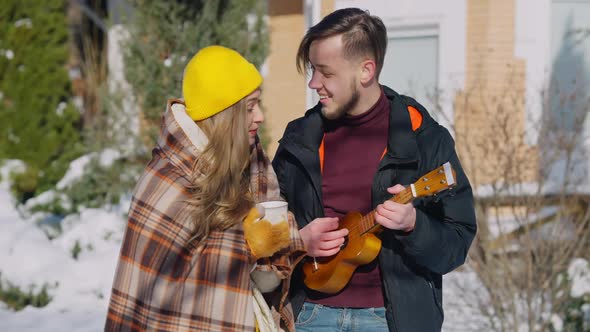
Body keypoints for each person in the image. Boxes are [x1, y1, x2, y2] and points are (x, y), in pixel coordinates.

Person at [272, 8, 477, 332]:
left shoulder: (425, 139)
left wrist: (414, 225)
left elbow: (456, 245)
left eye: (326, 72)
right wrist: (297, 241)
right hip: (310, 316)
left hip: (392, 321)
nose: (314, 83)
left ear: (366, 71)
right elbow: (263, 227)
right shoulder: (299, 140)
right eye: (312, 70)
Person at [106, 45, 306, 332]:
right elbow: (141, 292)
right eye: (249, 107)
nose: (260, 116)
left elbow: (267, 263)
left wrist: (276, 247)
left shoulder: (252, 165)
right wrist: (248, 245)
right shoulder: (170, 180)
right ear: (224, 115)